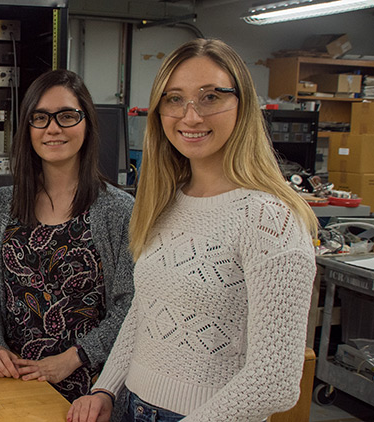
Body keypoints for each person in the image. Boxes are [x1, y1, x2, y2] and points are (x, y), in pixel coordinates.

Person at [68, 38, 318, 422]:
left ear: (242, 105)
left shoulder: (271, 219)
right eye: (174, 99)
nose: (191, 117)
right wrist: (106, 387)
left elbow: (275, 381)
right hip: (129, 405)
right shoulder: (165, 203)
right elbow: (144, 311)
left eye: (211, 97)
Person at [0, 69, 135, 403]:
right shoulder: (1, 206)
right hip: (13, 385)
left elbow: (130, 306)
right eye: (40, 118)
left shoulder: (118, 211)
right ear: (27, 128)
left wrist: (73, 358)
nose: (53, 128)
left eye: (67, 116)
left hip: (89, 395)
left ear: (87, 124)